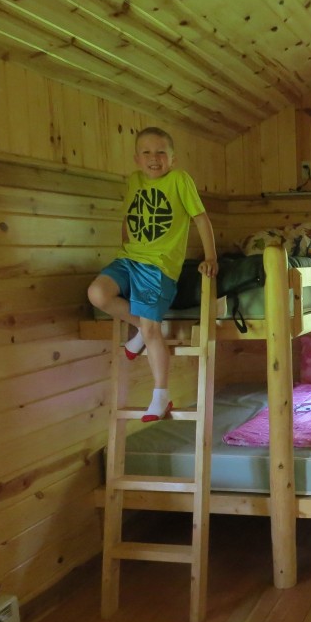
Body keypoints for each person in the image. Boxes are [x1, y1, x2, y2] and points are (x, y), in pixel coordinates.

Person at [87, 126, 217, 422]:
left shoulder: (180, 180)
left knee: (151, 330)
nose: (154, 158)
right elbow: (128, 218)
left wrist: (211, 257)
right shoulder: (134, 181)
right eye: (147, 152)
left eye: (161, 152)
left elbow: (200, 218)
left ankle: (161, 395)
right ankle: (142, 333)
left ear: (172, 158)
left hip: (158, 267)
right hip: (128, 259)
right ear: (137, 158)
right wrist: (125, 247)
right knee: (97, 293)